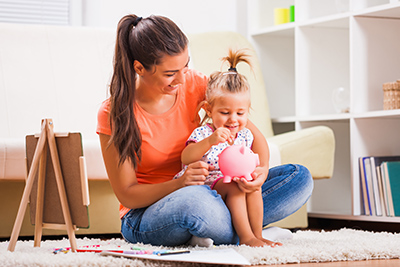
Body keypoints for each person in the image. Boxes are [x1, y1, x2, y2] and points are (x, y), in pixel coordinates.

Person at [97, 14, 313, 247]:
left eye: (185, 66)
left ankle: (229, 231)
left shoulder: (195, 83)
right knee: (196, 202)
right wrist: (180, 184)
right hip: (149, 214)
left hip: (217, 192)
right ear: (139, 68)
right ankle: (251, 232)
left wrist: (259, 172)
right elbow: (128, 194)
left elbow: (247, 130)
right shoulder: (114, 113)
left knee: (299, 178)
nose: (182, 78)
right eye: (170, 74)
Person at [174, 49, 282, 247]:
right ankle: (246, 238)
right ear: (208, 109)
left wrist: (258, 173)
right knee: (235, 189)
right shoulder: (204, 133)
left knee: (253, 189)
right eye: (225, 112)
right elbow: (186, 156)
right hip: (208, 185)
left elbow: (254, 158)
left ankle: (256, 235)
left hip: (236, 181)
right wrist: (210, 141)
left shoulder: (245, 135)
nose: (233, 119)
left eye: (241, 113)